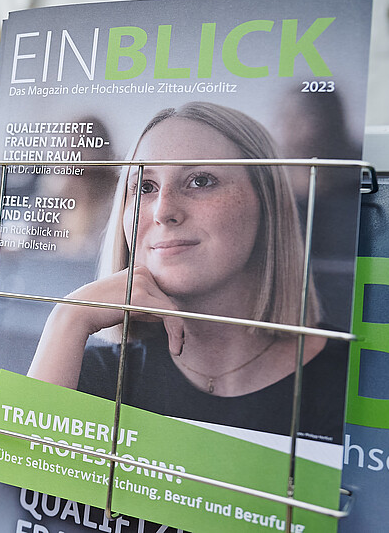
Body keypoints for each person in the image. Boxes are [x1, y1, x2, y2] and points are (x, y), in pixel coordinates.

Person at [28, 102, 348, 442]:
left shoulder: (352, 383)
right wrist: (68, 318)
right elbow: (14, 482)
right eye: (146, 187)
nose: (163, 210)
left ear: (266, 203)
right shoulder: (89, 372)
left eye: (200, 180)